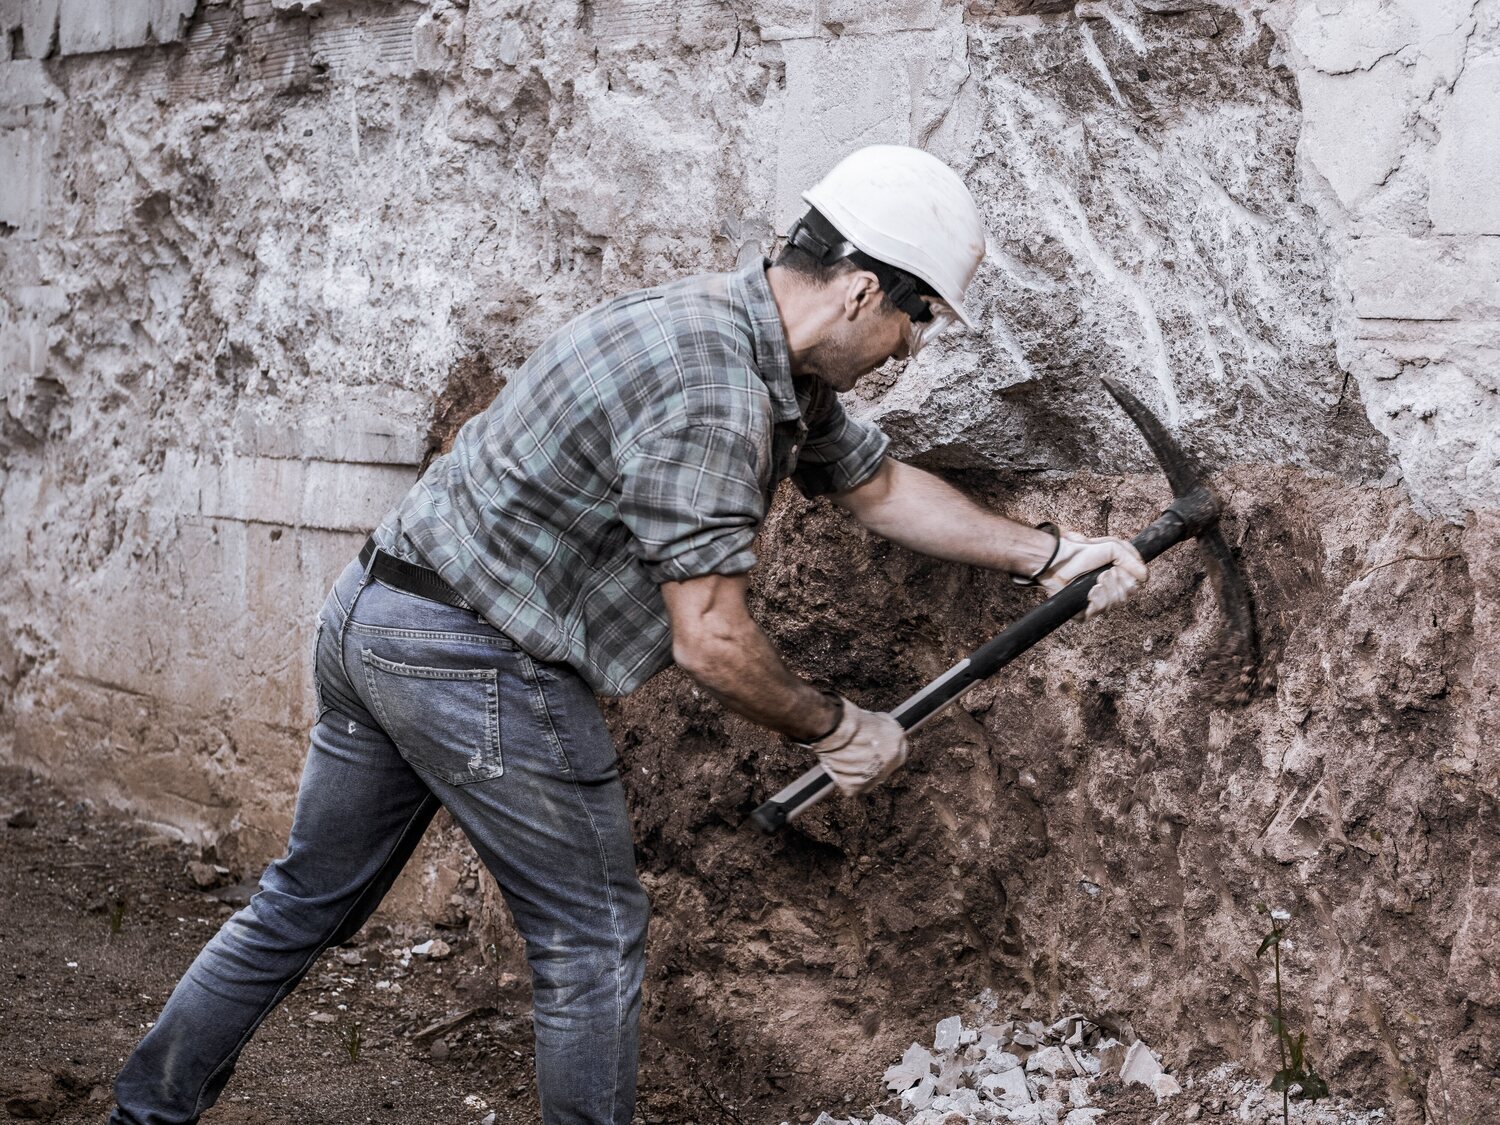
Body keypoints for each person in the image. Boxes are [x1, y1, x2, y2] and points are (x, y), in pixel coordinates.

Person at [109, 144, 1147, 1125]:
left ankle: (144, 1111)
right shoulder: (715, 392)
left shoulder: (742, 342)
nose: (913, 346)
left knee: (299, 902)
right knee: (592, 941)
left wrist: (1047, 553)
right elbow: (710, 640)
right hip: (475, 659)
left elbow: (873, 486)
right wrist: (834, 728)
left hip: (375, 618)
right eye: (918, 317)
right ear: (862, 290)